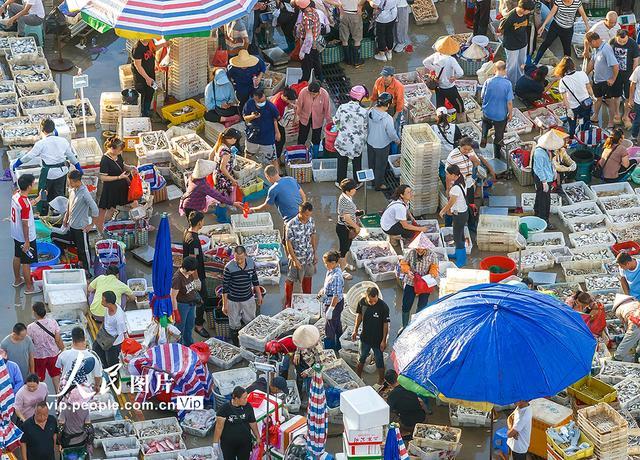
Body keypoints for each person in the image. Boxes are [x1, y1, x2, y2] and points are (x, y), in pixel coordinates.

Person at [12, 119, 81, 216]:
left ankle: (43, 214)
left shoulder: (41, 143)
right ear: (54, 129)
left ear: (42, 130)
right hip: (62, 172)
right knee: (58, 194)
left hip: (48, 174)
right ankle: (58, 215)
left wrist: (18, 163)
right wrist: (78, 166)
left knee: (43, 195)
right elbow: (71, 156)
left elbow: (29, 156)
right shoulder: (63, 141)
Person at [50, 170, 99, 275]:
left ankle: (88, 270)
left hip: (81, 228)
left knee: (83, 250)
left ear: (76, 181)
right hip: (71, 226)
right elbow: (69, 203)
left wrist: (91, 225)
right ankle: (69, 258)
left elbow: (95, 209)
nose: (69, 183)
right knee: (54, 236)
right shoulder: (72, 189)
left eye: (70, 181)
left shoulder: (85, 193)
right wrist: (66, 217)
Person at [446, 137, 496, 217]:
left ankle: (470, 215)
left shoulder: (471, 152)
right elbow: (448, 174)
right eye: (465, 149)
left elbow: (478, 164)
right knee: (458, 204)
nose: (467, 151)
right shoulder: (452, 156)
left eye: (469, 149)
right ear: (460, 146)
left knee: (470, 202)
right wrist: (448, 188)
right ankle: (457, 217)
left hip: (469, 183)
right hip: (458, 185)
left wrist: (474, 160)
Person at [179, 159, 242, 223]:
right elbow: (217, 196)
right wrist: (233, 203)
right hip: (191, 207)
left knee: (194, 222)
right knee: (195, 224)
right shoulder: (202, 184)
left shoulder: (193, 176)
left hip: (187, 201)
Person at [97, 137, 139, 232]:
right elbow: (103, 177)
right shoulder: (105, 160)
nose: (121, 152)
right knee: (110, 209)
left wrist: (131, 167)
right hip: (111, 188)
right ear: (113, 149)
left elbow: (122, 165)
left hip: (122, 186)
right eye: (120, 150)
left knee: (134, 203)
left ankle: (140, 222)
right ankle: (105, 228)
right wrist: (118, 177)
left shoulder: (118, 155)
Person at [222, 246, 262, 346]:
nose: (239, 261)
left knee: (250, 321)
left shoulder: (251, 263)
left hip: (248, 299)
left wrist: (259, 295)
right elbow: (225, 288)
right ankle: (236, 345)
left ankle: (249, 343)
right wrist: (224, 304)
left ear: (245, 255)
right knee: (234, 325)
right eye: (236, 258)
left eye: (241, 258)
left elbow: (255, 280)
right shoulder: (228, 267)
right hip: (233, 301)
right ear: (233, 256)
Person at [398, 234, 439, 327]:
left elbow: (435, 267)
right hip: (411, 281)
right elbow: (403, 264)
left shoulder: (433, 255)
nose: (419, 250)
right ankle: (404, 326)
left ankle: (415, 325)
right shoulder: (410, 253)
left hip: (425, 283)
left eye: (421, 248)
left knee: (422, 306)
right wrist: (408, 271)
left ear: (426, 248)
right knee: (406, 305)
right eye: (417, 248)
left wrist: (432, 274)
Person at [11, 173, 41, 295]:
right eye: (33, 183)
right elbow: (25, 224)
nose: (34, 184)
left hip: (16, 234)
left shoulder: (16, 195)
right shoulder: (24, 204)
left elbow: (26, 203)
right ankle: (29, 287)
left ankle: (18, 280)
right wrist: (27, 241)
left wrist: (38, 199)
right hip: (25, 237)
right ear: (29, 186)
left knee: (17, 256)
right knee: (26, 262)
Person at [183, 211, 211, 340]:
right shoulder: (193, 240)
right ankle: (198, 324)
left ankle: (197, 321)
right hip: (196, 274)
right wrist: (196, 280)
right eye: (203, 221)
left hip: (191, 273)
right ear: (199, 223)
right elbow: (193, 261)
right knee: (201, 298)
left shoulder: (187, 233)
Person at [352, 287, 389, 383]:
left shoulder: (383, 307)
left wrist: (383, 340)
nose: (372, 303)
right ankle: (358, 378)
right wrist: (355, 330)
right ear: (366, 296)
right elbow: (359, 316)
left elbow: (386, 324)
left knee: (379, 361)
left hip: (378, 340)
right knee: (361, 358)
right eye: (370, 301)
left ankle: (381, 380)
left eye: (374, 301)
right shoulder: (362, 302)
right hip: (365, 338)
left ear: (377, 296)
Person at [285, 202, 318, 308]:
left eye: (310, 215)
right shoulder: (291, 224)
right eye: (306, 215)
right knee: (290, 279)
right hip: (297, 257)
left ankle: (307, 299)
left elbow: (313, 235)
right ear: (300, 213)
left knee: (308, 277)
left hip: (308, 256)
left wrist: (314, 252)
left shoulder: (311, 221)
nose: (308, 217)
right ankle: (288, 302)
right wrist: (294, 260)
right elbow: (288, 243)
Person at [423, 37, 465, 120]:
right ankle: (461, 122)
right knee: (460, 107)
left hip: (438, 87)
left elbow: (425, 62)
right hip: (449, 87)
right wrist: (454, 77)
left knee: (440, 109)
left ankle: (441, 124)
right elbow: (460, 73)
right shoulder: (451, 59)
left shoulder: (436, 55)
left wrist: (434, 68)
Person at [213, 386, 260, 460]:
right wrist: (215, 442)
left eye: (246, 397)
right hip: (228, 445)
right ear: (236, 398)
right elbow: (219, 427)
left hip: (244, 444)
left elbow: (252, 423)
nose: (246, 400)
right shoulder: (224, 409)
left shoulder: (248, 407)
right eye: (244, 398)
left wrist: (258, 437)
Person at [333, 85, 368, 185]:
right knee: (357, 163)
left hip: (343, 141)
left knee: (342, 163)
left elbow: (336, 121)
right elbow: (365, 127)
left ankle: (341, 182)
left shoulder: (342, 107)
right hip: (357, 143)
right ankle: (357, 182)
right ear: (361, 97)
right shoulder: (364, 112)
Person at [26, 302, 63, 392]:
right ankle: (59, 399)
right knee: (56, 376)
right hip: (53, 354)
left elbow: (29, 344)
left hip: (38, 357)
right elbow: (58, 339)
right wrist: (63, 349)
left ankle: (41, 401)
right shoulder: (53, 322)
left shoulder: (30, 327)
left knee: (39, 379)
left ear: (34, 313)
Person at [586, 31, 620, 128]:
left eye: (590, 43)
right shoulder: (596, 48)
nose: (589, 45)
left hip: (606, 81)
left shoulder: (606, 49)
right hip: (597, 79)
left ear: (594, 41)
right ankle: (595, 116)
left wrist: (613, 79)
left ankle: (611, 122)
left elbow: (615, 65)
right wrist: (585, 74)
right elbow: (592, 61)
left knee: (609, 101)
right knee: (597, 99)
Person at [480, 61, 514, 159]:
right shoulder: (507, 84)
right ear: (505, 70)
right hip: (500, 115)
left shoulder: (488, 81)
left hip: (487, 112)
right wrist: (510, 114)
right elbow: (509, 102)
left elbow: (482, 96)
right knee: (499, 135)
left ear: (495, 70)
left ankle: (484, 136)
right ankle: (497, 155)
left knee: (485, 123)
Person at [367, 92, 400, 191]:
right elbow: (391, 133)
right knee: (380, 166)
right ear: (388, 104)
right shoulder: (387, 118)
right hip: (382, 145)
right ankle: (378, 185)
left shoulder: (370, 112)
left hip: (370, 142)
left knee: (372, 163)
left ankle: (372, 181)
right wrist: (397, 140)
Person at [499, 0, 536, 87]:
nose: (529, 12)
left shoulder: (525, 15)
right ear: (523, 9)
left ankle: (520, 82)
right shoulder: (510, 17)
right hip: (512, 45)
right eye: (528, 10)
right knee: (512, 66)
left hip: (523, 43)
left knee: (521, 64)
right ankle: (511, 85)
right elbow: (501, 29)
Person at [557, 56, 595, 138]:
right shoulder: (582, 74)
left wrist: (569, 110)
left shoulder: (563, 81)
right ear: (573, 65)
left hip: (573, 107)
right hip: (586, 103)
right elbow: (589, 88)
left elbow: (565, 99)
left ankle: (572, 138)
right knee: (585, 121)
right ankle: (584, 136)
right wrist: (593, 96)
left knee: (572, 125)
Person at [211, 128, 243, 223]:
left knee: (219, 196)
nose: (236, 141)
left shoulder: (219, 144)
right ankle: (222, 218)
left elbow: (210, 156)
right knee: (223, 200)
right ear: (231, 138)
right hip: (223, 179)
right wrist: (232, 179)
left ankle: (217, 212)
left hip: (216, 175)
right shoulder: (226, 152)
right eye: (235, 138)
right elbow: (223, 168)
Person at [440, 164, 469, 268]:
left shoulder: (455, 188)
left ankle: (461, 260)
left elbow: (451, 202)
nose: (446, 175)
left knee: (457, 237)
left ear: (453, 175)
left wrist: (443, 211)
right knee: (460, 235)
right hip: (463, 213)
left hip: (459, 215)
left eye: (447, 174)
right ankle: (459, 254)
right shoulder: (461, 181)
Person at [243, 88, 281, 169]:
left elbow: (276, 118)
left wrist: (277, 132)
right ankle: (246, 172)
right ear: (254, 98)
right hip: (252, 137)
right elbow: (245, 118)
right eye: (259, 102)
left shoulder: (270, 106)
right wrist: (252, 116)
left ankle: (276, 178)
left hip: (267, 138)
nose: (261, 103)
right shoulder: (249, 104)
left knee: (273, 159)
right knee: (248, 156)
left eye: (263, 101)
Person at [610, 29, 640, 128]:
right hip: (616, 73)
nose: (622, 43)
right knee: (616, 95)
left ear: (627, 37)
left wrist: (634, 75)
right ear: (616, 37)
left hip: (628, 74)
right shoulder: (612, 42)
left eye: (624, 41)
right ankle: (617, 114)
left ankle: (626, 116)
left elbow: (636, 60)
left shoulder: (633, 44)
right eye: (620, 41)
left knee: (628, 96)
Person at [131, 39, 168, 117]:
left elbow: (153, 49)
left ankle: (146, 111)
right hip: (141, 76)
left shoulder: (150, 41)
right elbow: (138, 66)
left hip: (150, 71)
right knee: (142, 94)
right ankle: (141, 113)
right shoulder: (137, 48)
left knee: (150, 92)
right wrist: (147, 78)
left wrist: (163, 45)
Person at [385, 370, 427, 437]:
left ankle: (404, 432)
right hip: (422, 418)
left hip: (408, 424)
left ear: (388, 383)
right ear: (398, 376)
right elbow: (420, 401)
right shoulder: (408, 386)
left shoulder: (392, 395)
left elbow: (388, 409)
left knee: (390, 416)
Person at [171, 256, 201, 348]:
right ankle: (178, 347)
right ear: (187, 269)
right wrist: (176, 312)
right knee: (180, 328)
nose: (193, 272)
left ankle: (188, 344)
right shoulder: (177, 279)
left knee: (190, 325)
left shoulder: (189, 273)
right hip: (182, 306)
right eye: (192, 270)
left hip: (191, 304)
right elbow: (173, 297)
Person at [532, 131, 561, 227]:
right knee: (545, 200)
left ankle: (537, 212)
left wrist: (554, 172)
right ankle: (544, 220)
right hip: (542, 179)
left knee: (540, 196)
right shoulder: (539, 153)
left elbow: (548, 162)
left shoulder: (546, 150)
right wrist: (544, 182)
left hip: (547, 176)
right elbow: (538, 169)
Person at [336, 179, 362, 281]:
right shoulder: (345, 201)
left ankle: (345, 264)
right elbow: (346, 218)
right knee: (343, 250)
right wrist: (356, 227)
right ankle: (341, 270)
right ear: (347, 191)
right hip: (344, 228)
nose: (355, 190)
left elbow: (347, 213)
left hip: (346, 228)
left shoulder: (346, 197)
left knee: (347, 248)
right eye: (353, 189)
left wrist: (355, 212)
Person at [92, 291, 127, 368]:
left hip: (113, 342)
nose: (101, 301)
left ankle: (113, 376)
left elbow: (122, 332)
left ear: (109, 303)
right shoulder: (108, 308)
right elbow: (106, 318)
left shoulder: (119, 318)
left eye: (103, 300)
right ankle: (105, 366)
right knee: (96, 348)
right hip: (104, 334)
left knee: (112, 363)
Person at [297, 82, 331, 157]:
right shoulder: (303, 92)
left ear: (319, 92)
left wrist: (329, 122)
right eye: (310, 93)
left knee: (316, 137)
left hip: (318, 119)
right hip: (304, 118)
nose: (312, 95)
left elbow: (327, 109)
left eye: (314, 94)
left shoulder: (324, 94)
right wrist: (296, 117)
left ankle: (315, 155)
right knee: (302, 136)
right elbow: (299, 106)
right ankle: (300, 154)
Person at [319, 250, 344, 351]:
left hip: (334, 304)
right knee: (337, 324)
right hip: (329, 301)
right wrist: (322, 292)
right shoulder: (330, 270)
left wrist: (330, 310)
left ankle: (329, 349)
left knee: (329, 328)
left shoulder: (336, 276)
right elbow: (327, 286)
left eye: (326, 263)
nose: (325, 265)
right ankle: (339, 346)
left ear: (333, 263)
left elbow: (336, 296)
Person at [295, 0, 323, 81]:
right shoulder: (314, 11)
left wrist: (303, 51)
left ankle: (304, 81)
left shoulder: (307, 18)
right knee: (316, 61)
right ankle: (319, 78)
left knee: (306, 64)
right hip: (315, 42)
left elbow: (309, 37)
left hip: (309, 44)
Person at [271, 87, 298, 159]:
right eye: (291, 101)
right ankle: (276, 159)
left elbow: (288, 104)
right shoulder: (277, 104)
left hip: (279, 120)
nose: (292, 102)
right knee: (279, 141)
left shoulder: (282, 94)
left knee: (282, 140)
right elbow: (274, 120)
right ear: (286, 98)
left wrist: (291, 105)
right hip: (275, 122)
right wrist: (277, 132)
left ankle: (277, 157)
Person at [612, 295, 640, 361]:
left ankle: (617, 357)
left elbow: (625, 323)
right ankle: (638, 354)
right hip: (637, 319)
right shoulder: (635, 302)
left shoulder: (618, 310)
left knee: (627, 341)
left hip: (635, 321)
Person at [339, 0, 365, 66]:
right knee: (357, 38)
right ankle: (356, 61)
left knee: (344, 39)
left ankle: (347, 61)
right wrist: (359, 5)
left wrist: (339, 5)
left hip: (344, 14)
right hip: (355, 14)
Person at [628, 61, 640, 141]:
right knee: (637, 120)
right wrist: (630, 99)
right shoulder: (638, 69)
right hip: (639, 101)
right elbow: (632, 84)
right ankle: (633, 136)